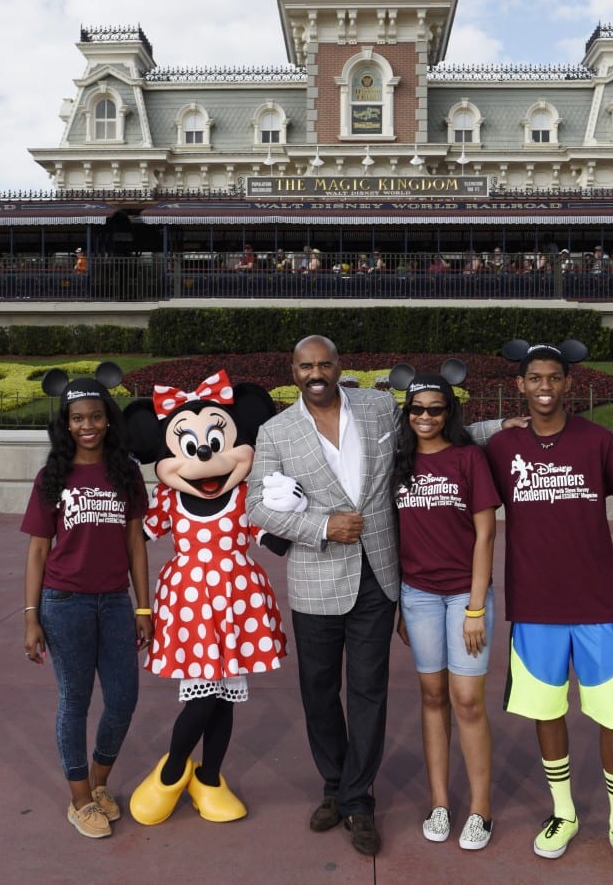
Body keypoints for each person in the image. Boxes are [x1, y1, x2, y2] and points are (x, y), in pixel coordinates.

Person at [245, 336, 513, 857]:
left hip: (380, 575)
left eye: (325, 363)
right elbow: (257, 505)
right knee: (319, 693)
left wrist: (501, 428)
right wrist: (321, 525)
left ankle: (358, 799)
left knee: (368, 691)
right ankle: (334, 786)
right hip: (316, 578)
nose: (316, 372)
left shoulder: (375, 407)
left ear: (339, 367)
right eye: (306, 366)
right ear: (294, 371)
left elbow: (436, 433)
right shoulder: (275, 431)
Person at [485, 340, 613, 876]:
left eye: (553, 378)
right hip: (534, 607)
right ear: (521, 385)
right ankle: (564, 814)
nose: (544, 387)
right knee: (547, 711)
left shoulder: (599, 441)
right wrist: (494, 425)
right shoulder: (503, 446)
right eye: (534, 378)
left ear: (568, 384)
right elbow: (444, 446)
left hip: (598, 604)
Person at [125, 372, 290, 827]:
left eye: (216, 441)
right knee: (202, 697)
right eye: (188, 446)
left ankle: (211, 779)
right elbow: (138, 535)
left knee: (224, 698)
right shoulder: (168, 500)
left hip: (238, 601)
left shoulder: (244, 495)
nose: (204, 455)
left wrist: (296, 519)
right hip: (191, 603)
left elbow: (271, 532)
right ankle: (173, 771)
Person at [22, 364, 150, 839]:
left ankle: (98, 784)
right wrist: (31, 617)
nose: (88, 426)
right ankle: (79, 800)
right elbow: (38, 549)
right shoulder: (52, 475)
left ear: (108, 419)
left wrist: (143, 607)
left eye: (96, 416)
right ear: (66, 423)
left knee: (123, 699)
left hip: (116, 603)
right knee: (75, 700)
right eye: (78, 418)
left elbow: (136, 544)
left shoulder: (126, 473)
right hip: (64, 602)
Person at [392, 371, 501, 851]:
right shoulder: (399, 462)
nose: (426, 418)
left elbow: (486, 534)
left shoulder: (467, 459)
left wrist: (475, 608)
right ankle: (440, 802)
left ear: (449, 413)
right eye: (417, 410)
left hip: (464, 597)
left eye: (436, 409)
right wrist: (399, 602)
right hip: (417, 595)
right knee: (433, 696)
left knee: (467, 700)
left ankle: (481, 809)